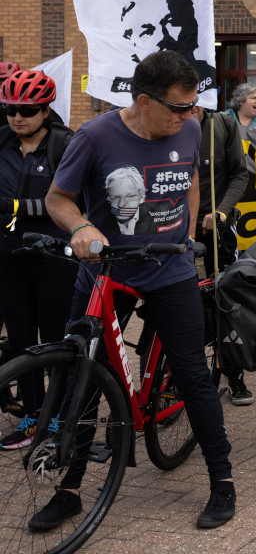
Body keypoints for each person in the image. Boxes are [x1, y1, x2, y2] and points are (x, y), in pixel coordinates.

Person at [44, 50, 236, 529]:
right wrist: (82, 228)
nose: (189, 115)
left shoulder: (190, 129)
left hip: (170, 272)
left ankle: (222, 482)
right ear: (144, 101)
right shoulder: (95, 136)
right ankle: (69, 489)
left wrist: (187, 236)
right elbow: (58, 199)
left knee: (193, 374)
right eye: (179, 107)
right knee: (85, 376)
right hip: (108, 274)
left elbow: (191, 177)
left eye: (194, 106)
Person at [0, 70, 78, 449]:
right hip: (9, 256)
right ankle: (32, 416)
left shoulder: (65, 145)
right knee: (19, 341)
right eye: (11, 110)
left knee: (54, 340)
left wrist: (13, 205)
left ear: (46, 110)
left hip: (52, 256)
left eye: (28, 110)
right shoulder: (2, 142)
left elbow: (70, 202)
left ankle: (59, 415)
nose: (18, 118)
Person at [192, 104, 253, 406]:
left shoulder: (223, 126)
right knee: (179, 300)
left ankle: (234, 374)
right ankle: (173, 375)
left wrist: (221, 211)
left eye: (193, 105)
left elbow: (240, 176)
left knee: (227, 300)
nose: (187, 112)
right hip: (179, 227)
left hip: (217, 223)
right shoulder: (166, 125)